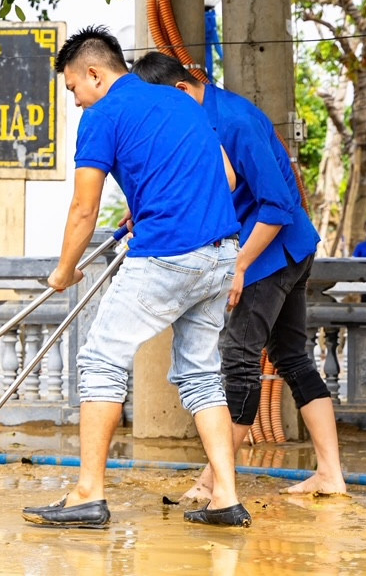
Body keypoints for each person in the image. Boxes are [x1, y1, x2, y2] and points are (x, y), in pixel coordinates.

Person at [22, 29, 250, 530]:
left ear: (94, 74)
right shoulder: (182, 100)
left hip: (167, 255)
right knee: (200, 374)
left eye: (73, 90)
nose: (76, 101)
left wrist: (64, 271)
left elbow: (84, 209)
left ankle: (87, 493)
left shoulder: (101, 117)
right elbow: (228, 178)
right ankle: (225, 498)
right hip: (220, 255)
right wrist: (148, 205)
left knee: (101, 359)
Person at [132, 53, 346, 502]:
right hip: (268, 248)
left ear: (180, 91)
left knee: (239, 358)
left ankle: (215, 482)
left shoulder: (237, 120)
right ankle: (331, 474)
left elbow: (277, 206)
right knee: (291, 357)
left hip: (273, 251)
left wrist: (240, 265)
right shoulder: (194, 122)